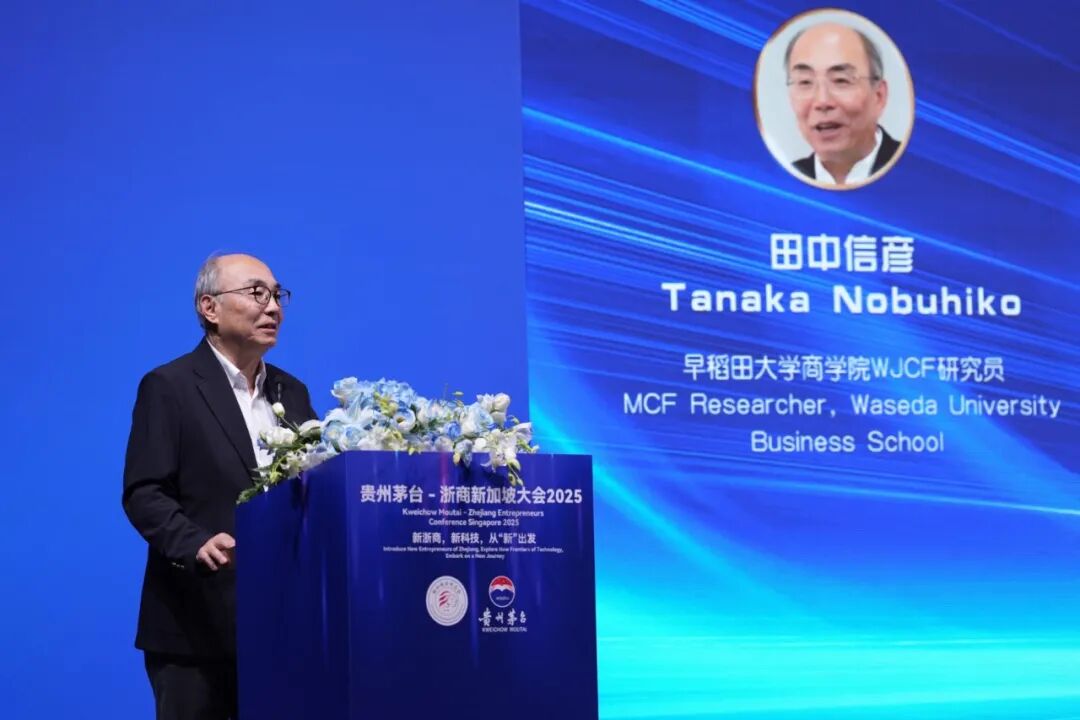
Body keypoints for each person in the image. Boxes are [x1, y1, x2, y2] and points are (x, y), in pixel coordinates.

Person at [122, 253, 316, 720]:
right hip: (195, 628)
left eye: (277, 295)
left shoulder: (292, 392)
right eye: (257, 293)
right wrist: (194, 544)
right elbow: (144, 491)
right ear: (209, 307)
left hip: (282, 623)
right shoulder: (169, 386)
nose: (273, 307)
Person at [784, 22, 900, 186]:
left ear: (878, 96)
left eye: (841, 80)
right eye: (805, 82)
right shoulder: (780, 183)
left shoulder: (918, 170)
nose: (822, 101)